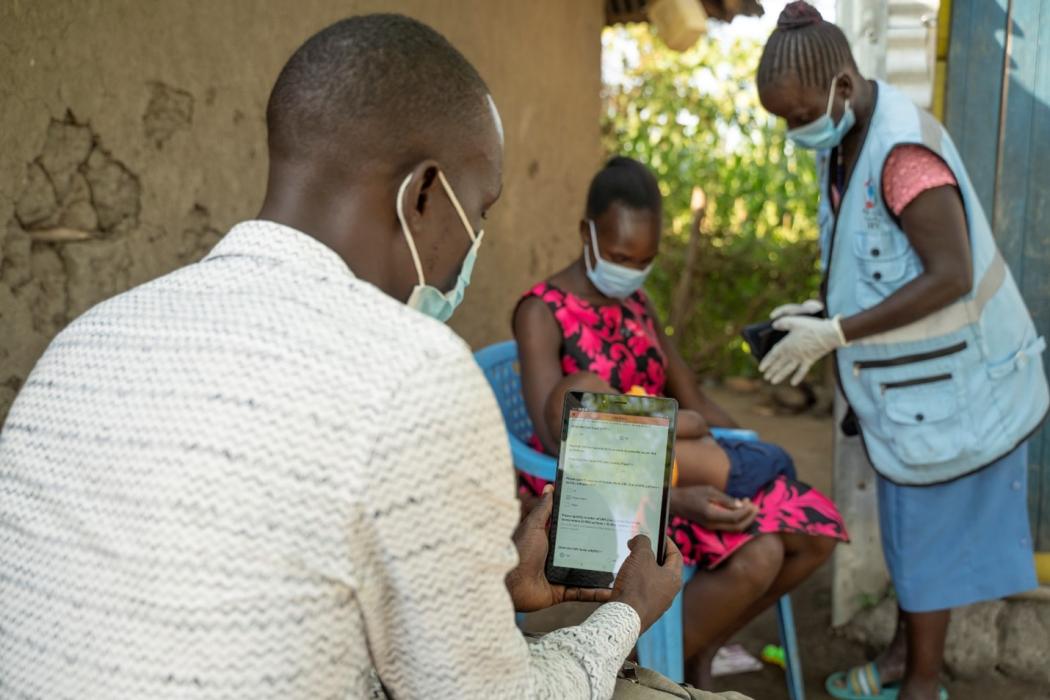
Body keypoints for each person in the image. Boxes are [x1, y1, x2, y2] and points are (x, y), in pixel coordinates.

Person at [0, 15, 701, 699]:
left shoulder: (85, 338)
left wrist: (491, 590)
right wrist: (628, 611)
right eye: (480, 211)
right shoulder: (413, 371)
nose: (475, 243)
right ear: (425, 195)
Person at [755, 3, 1048, 700]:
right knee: (911, 541)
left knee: (927, 549)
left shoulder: (903, 155)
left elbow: (951, 274)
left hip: (963, 384)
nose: (797, 130)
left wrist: (840, 334)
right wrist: (821, 311)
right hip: (915, 399)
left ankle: (921, 683)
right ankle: (900, 660)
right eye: (784, 120)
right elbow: (874, 261)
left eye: (801, 115)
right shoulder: (846, 141)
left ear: (844, 88)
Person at [514, 155, 848, 688]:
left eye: (643, 259)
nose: (630, 269)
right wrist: (672, 499)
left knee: (813, 535)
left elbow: (689, 392)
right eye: (621, 255)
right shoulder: (541, 310)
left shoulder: (638, 305)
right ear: (587, 234)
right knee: (760, 555)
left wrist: (742, 442)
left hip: (665, 466)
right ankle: (639, 670)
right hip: (594, 488)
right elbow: (562, 440)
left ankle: (697, 651)